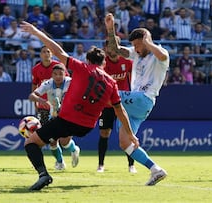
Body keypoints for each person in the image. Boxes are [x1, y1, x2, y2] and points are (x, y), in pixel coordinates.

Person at [20, 20, 138, 191]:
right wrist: (130, 133)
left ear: (88, 60)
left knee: (31, 143)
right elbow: (120, 111)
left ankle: (44, 175)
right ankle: (68, 150)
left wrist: (37, 33)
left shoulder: (81, 67)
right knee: (60, 136)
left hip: (67, 119)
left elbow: (57, 50)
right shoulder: (112, 83)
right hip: (87, 127)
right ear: (104, 64)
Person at [105, 13, 169, 185]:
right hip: (133, 106)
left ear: (146, 41)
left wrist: (147, 41)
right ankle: (156, 170)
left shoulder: (160, 54)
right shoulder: (136, 53)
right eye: (134, 46)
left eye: (138, 45)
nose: (136, 49)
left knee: (108, 93)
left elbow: (162, 56)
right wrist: (111, 29)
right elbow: (117, 50)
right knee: (125, 144)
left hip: (143, 99)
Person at [29, 63, 80, 171]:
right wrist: (40, 100)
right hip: (54, 115)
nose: (58, 77)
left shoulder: (70, 82)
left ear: (64, 74)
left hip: (69, 115)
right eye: (55, 74)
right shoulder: (48, 83)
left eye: (60, 74)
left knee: (64, 142)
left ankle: (74, 149)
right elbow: (31, 96)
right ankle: (60, 162)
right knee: (52, 141)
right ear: (52, 75)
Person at [97, 38, 135, 173]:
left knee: (126, 133)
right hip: (107, 105)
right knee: (104, 132)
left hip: (123, 104)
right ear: (106, 48)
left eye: (114, 46)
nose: (112, 50)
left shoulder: (127, 62)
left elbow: (134, 80)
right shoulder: (102, 64)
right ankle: (101, 165)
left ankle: (131, 165)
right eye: (109, 47)